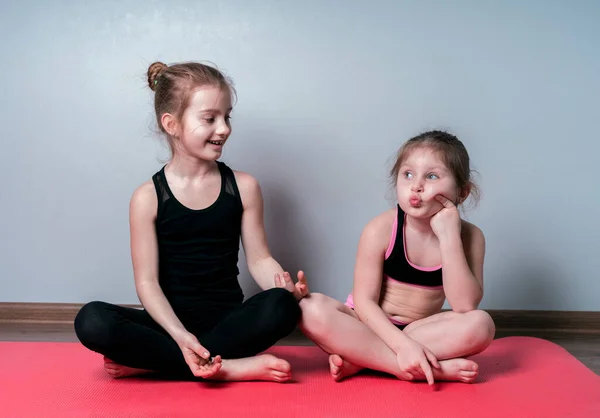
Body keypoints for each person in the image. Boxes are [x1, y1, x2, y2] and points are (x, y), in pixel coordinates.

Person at [74, 60, 309, 383]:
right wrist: (180, 336)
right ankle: (228, 366)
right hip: (168, 326)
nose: (224, 128)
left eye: (227, 117)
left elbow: (259, 258)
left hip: (226, 322)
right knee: (91, 319)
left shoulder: (244, 187)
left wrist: (284, 288)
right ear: (172, 124)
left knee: (282, 307)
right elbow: (147, 283)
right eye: (210, 119)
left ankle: (162, 364)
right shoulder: (147, 197)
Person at [298, 130, 495, 385]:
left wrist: (448, 237)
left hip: (421, 331)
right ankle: (411, 367)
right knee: (307, 308)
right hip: (367, 324)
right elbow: (364, 302)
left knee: (482, 324)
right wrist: (403, 347)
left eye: (432, 176)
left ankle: (362, 358)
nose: (416, 186)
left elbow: (465, 306)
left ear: (462, 192)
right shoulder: (380, 229)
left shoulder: (471, 237)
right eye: (408, 174)